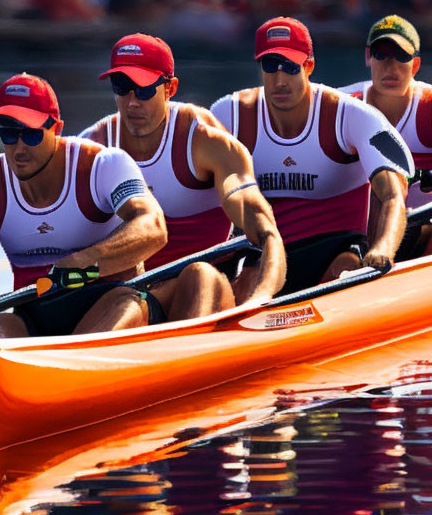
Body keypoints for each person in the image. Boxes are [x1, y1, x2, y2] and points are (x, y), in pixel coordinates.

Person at [0, 72, 167, 338]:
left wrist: (83, 260)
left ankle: (75, 365)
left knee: (127, 304)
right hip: (34, 314)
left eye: (32, 134)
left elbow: (154, 228)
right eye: (9, 134)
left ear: (56, 129)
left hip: (111, 302)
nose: (19, 148)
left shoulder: (103, 165)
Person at [80, 33, 286, 325]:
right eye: (122, 87)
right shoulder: (93, 148)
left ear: (169, 88)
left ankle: (181, 349)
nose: (132, 102)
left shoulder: (207, 144)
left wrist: (262, 295)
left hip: (205, 292)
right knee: (120, 293)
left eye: (143, 89)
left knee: (198, 274)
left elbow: (266, 232)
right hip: (132, 296)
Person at [210, 16, 414, 294]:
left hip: (335, 251)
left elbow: (392, 194)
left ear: (309, 66)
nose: (280, 80)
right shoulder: (229, 114)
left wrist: (383, 249)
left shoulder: (351, 116)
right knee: (244, 275)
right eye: (271, 66)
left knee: (346, 264)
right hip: (262, 253)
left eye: (291, 67)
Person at [339, 15, 432, 258]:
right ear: (368, 58)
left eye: (401, 56)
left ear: (415, 65)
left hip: (428, 234)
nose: (391, 68)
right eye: (381, 55)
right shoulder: (342, 104)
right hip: (364, 239)